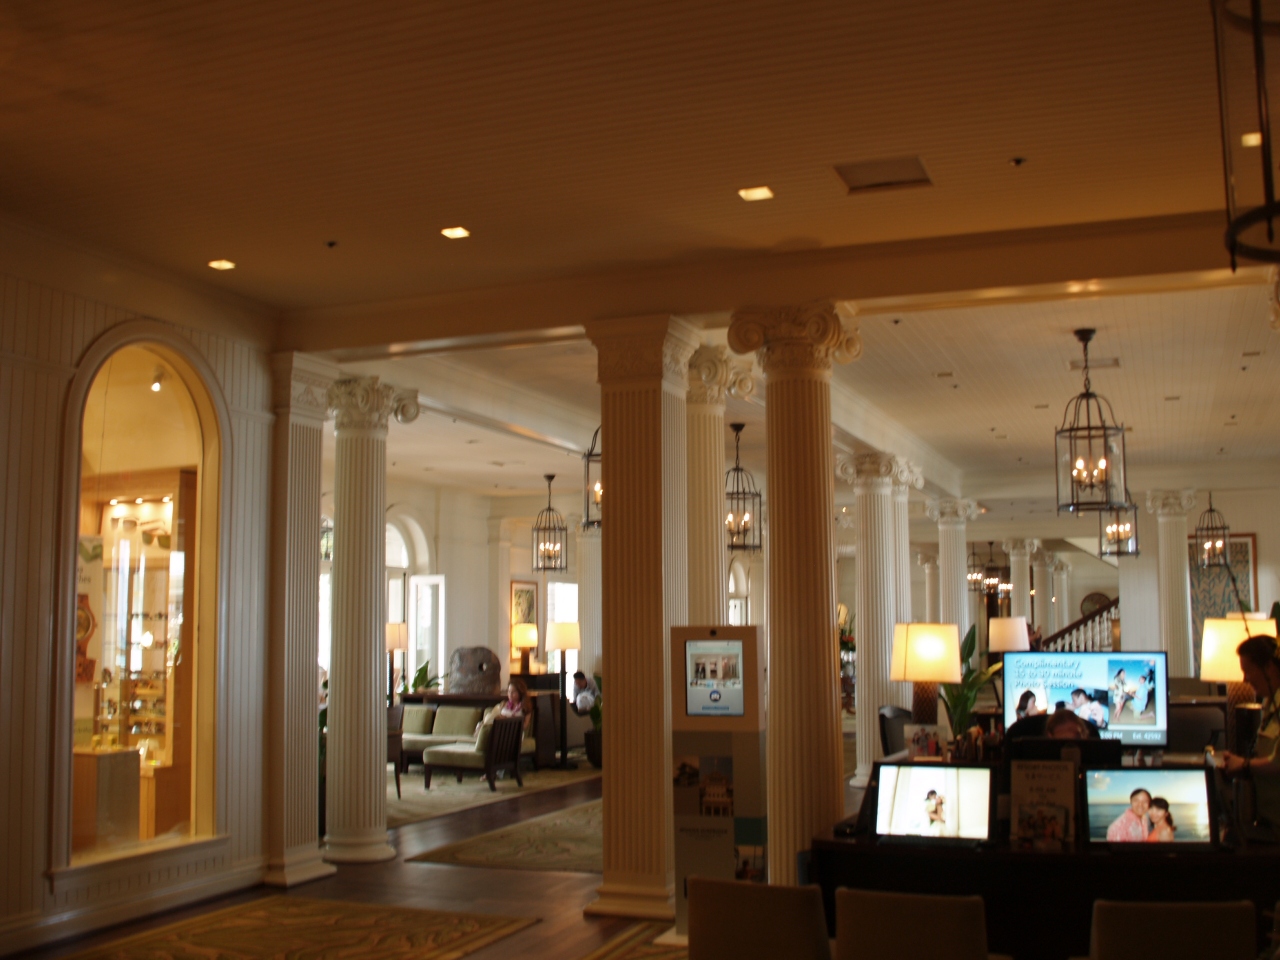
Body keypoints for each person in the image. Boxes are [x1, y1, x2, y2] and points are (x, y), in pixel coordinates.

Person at [1220, 634, 1280, 834]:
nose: (1245, 679)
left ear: (1268, 667)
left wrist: (1244, 764)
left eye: (1248, 671)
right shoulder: (1269, 702)